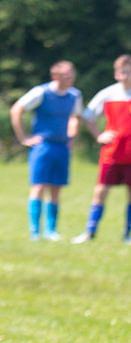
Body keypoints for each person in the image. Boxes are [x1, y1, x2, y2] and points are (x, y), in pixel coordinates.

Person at [72, 54, 131, 244]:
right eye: (121, 73)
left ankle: (128, 233)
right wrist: (99, 135)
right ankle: (90, 231)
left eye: (128, 72)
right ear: (116, 74)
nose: (125, 76)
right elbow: (87, 116)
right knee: (100, 190)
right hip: (111, 153)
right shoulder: (107, 94)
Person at [10, 61, 83, 241]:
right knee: (39, 186)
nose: (70, 79)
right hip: (43, 146)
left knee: (56, 188)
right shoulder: (41, 92)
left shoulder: (75, 95)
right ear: (56, 77)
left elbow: (75, 116)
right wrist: (24, 138)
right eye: (67, 76)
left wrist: (72, 135)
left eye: (72, 75)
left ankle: (52, 230)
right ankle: (35, 231)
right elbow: (17, 110)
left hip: (62, 146)